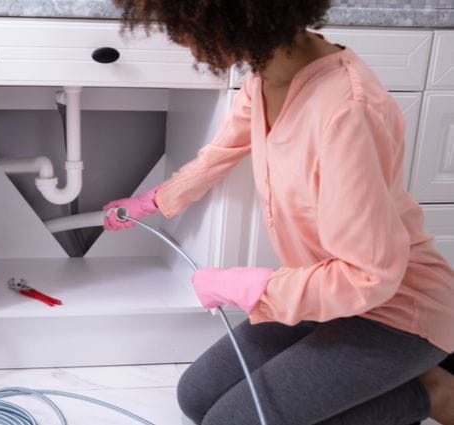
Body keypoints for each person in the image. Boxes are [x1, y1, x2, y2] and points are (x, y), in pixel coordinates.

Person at [102, 1, 454, 424]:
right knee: (195, 397)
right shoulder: (266, 77)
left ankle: (432, 392)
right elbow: (221, 153)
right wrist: (153, 201)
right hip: (324, 293)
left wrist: (255, 288)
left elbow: (371, 276)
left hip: (396, 313)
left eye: (183, 28)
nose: (186, 42)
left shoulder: (346, 111)